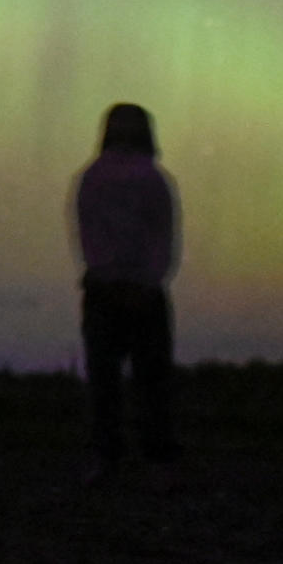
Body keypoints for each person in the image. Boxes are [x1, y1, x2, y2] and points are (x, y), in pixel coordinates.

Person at [72, 101, 181, 480]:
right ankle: (145, 459)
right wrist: (143, 282)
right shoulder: (149, 178)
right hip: (133, 291)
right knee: (142, 380)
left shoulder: (96, 177)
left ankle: (118, 458)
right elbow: (162, 239)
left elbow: (90, 237)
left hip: (117, 290)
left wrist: (119, 278)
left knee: (111, 380)